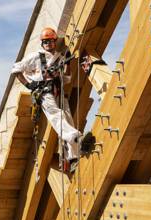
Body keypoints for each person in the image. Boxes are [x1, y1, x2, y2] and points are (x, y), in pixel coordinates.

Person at [11, 27, 93, 172]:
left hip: (58, 90)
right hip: (44, 93)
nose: (48, 44)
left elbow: (66, 79)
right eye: (46, 41)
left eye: (51, 41)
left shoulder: (60, 58)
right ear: (42, 43)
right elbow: (16, 69)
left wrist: (67, 64)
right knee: (57, 116)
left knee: (68, 119)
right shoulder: (35, 56)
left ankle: (72, 157)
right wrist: (29, 84)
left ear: (55, 42)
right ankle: (76, 138)